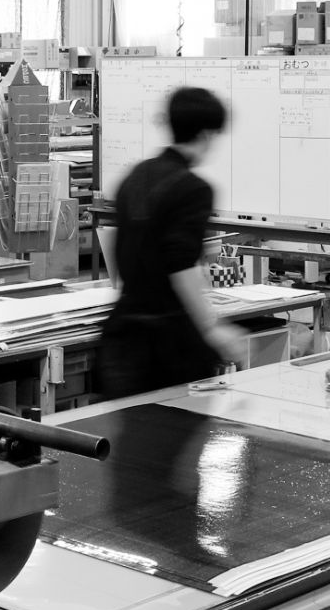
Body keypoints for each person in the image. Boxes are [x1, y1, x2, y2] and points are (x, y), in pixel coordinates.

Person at [101, 86, 247, 399]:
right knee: (178, 424)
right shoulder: (193, 189)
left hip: (123, 338)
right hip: (168, 346)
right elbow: (181, 265)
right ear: (206, 134)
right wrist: (211, 328)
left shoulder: (136, 175)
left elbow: (120, 247)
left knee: (132, 427)